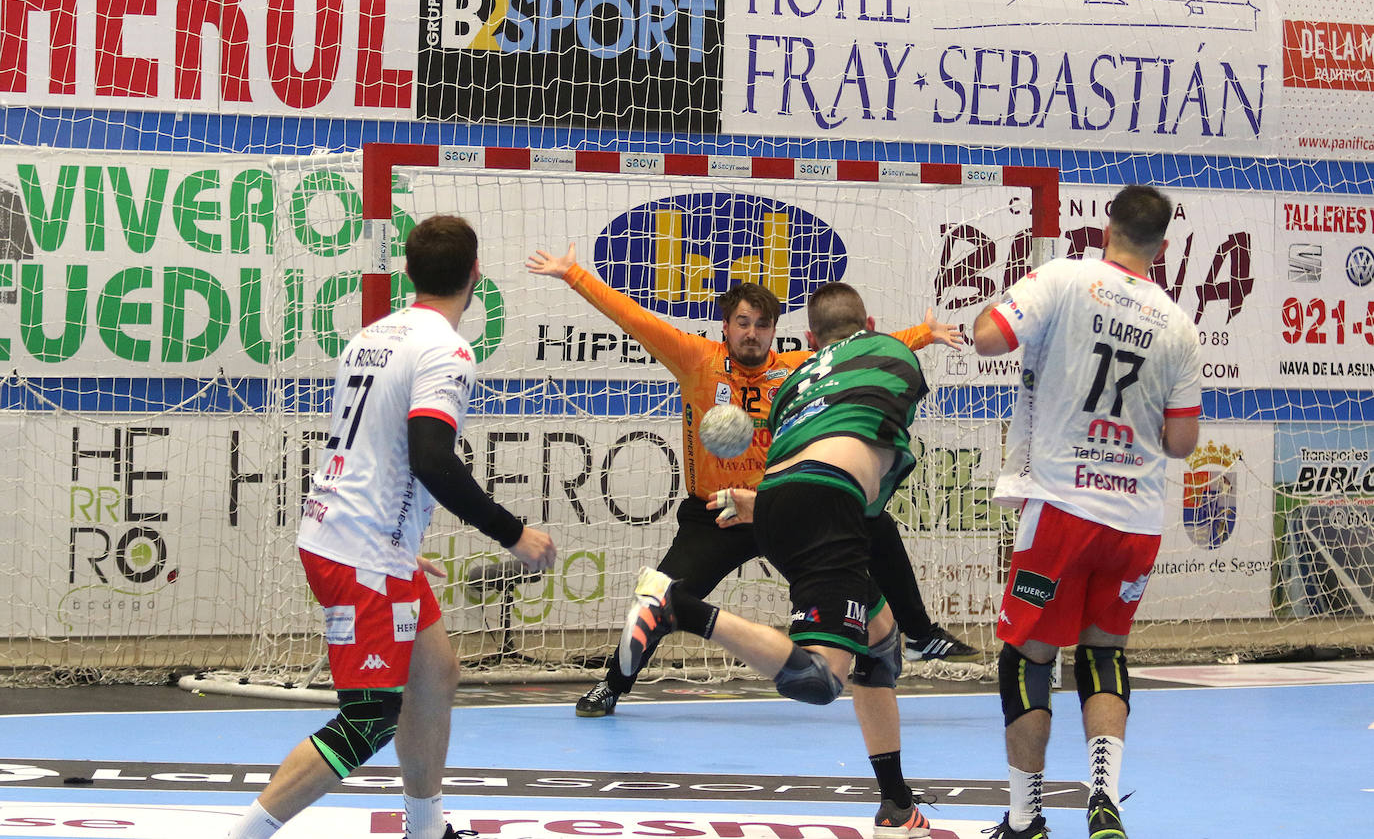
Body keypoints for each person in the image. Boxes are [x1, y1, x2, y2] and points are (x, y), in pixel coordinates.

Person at [525, 244, 976, 719]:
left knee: (874, 528)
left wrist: (924, 334)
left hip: (779, 509)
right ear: (726, 326)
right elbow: (633, 317)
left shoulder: (797, 369)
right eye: (743, 322)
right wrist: (574, 273)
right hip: (714, 517)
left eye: (763, 325)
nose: (752, 333)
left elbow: (855, 348)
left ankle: (919, 632)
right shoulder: (696, 359)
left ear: (775, 332)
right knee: (661, 594)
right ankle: (613, 685)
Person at [225, 215, 556, 839]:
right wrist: (513, 533)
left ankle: (426, 827)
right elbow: (430, 456)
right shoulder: (448, 351)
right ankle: (244, 834)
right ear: (476, 275)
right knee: (369, 719)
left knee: (436, 672)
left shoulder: (370, 337)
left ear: (407, 272)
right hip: (359, 550)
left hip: (360, 535)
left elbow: (377, 451)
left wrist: (401, 544)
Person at [619, 281, 937, 838]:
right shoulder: (892, 353)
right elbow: (876, 465)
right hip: (830, 506)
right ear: (870, 323)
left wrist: (760, 503)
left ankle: (895, 803)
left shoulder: (793, 383)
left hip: (776, 504)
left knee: (880, 648)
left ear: (810, 340)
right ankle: (678, 608)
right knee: (819, 679)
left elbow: (799, 458)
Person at [970, 185, 1202, 839]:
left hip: (1063, 506)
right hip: (1135, 521)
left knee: (1028, 657)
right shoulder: (1178, 325)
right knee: (1104, 654)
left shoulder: (1066, 278)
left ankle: (1025, 818)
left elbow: (989, 337)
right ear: (1163, 241)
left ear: (1109, 226)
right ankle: (1104, 801)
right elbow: (1182, 442)